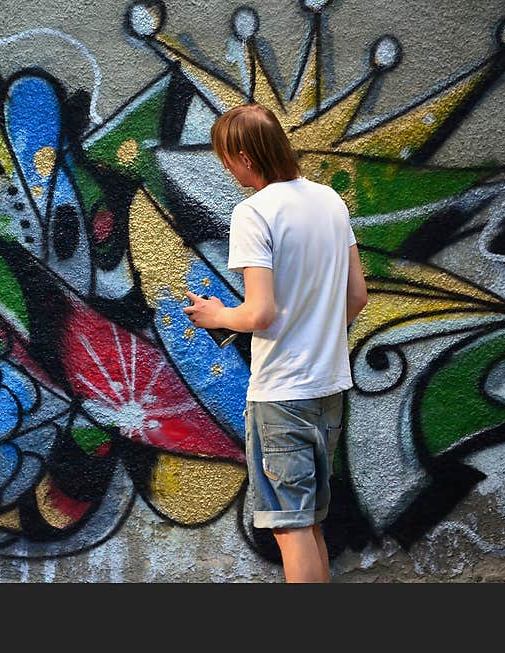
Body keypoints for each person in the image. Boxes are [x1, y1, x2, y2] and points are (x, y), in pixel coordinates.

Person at [183, 103, 368, 583]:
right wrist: (317, 334)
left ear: (246, 155)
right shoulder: (330, 201)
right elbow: (357, 296)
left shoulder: (253, 213)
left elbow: (260, 311)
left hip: (281, 392)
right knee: (308, 524)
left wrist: (216, 315)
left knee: (290, 528)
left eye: (227, 157)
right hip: (328, 386)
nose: (226, 167)